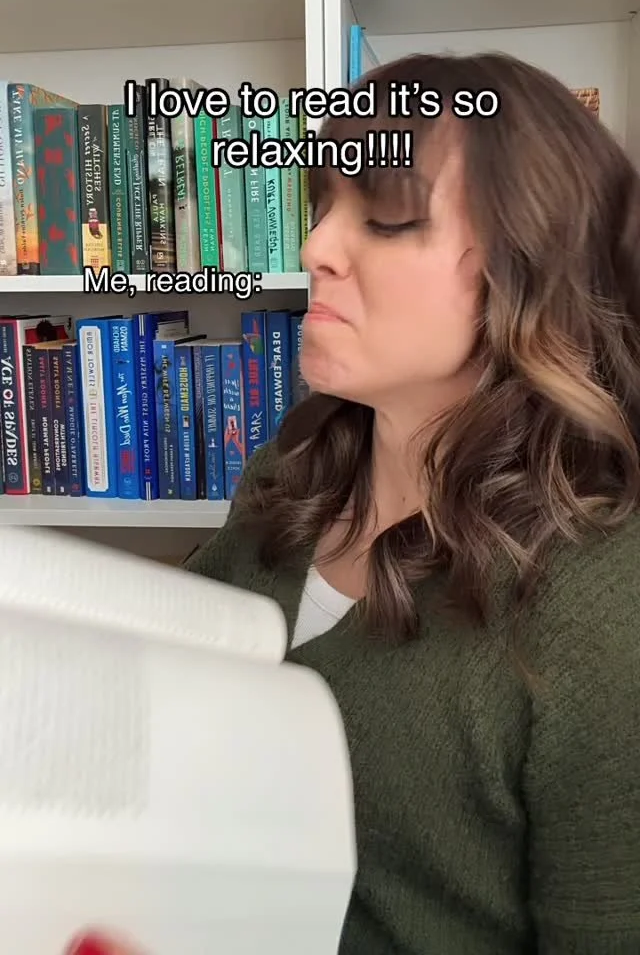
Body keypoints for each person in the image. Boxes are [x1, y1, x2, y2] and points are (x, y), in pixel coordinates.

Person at [64, 52, 640, 955]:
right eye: (323, 206)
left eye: (384, 216)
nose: (315, 249)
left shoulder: (599, 609)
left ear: (526, 264)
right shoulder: (289, 476)